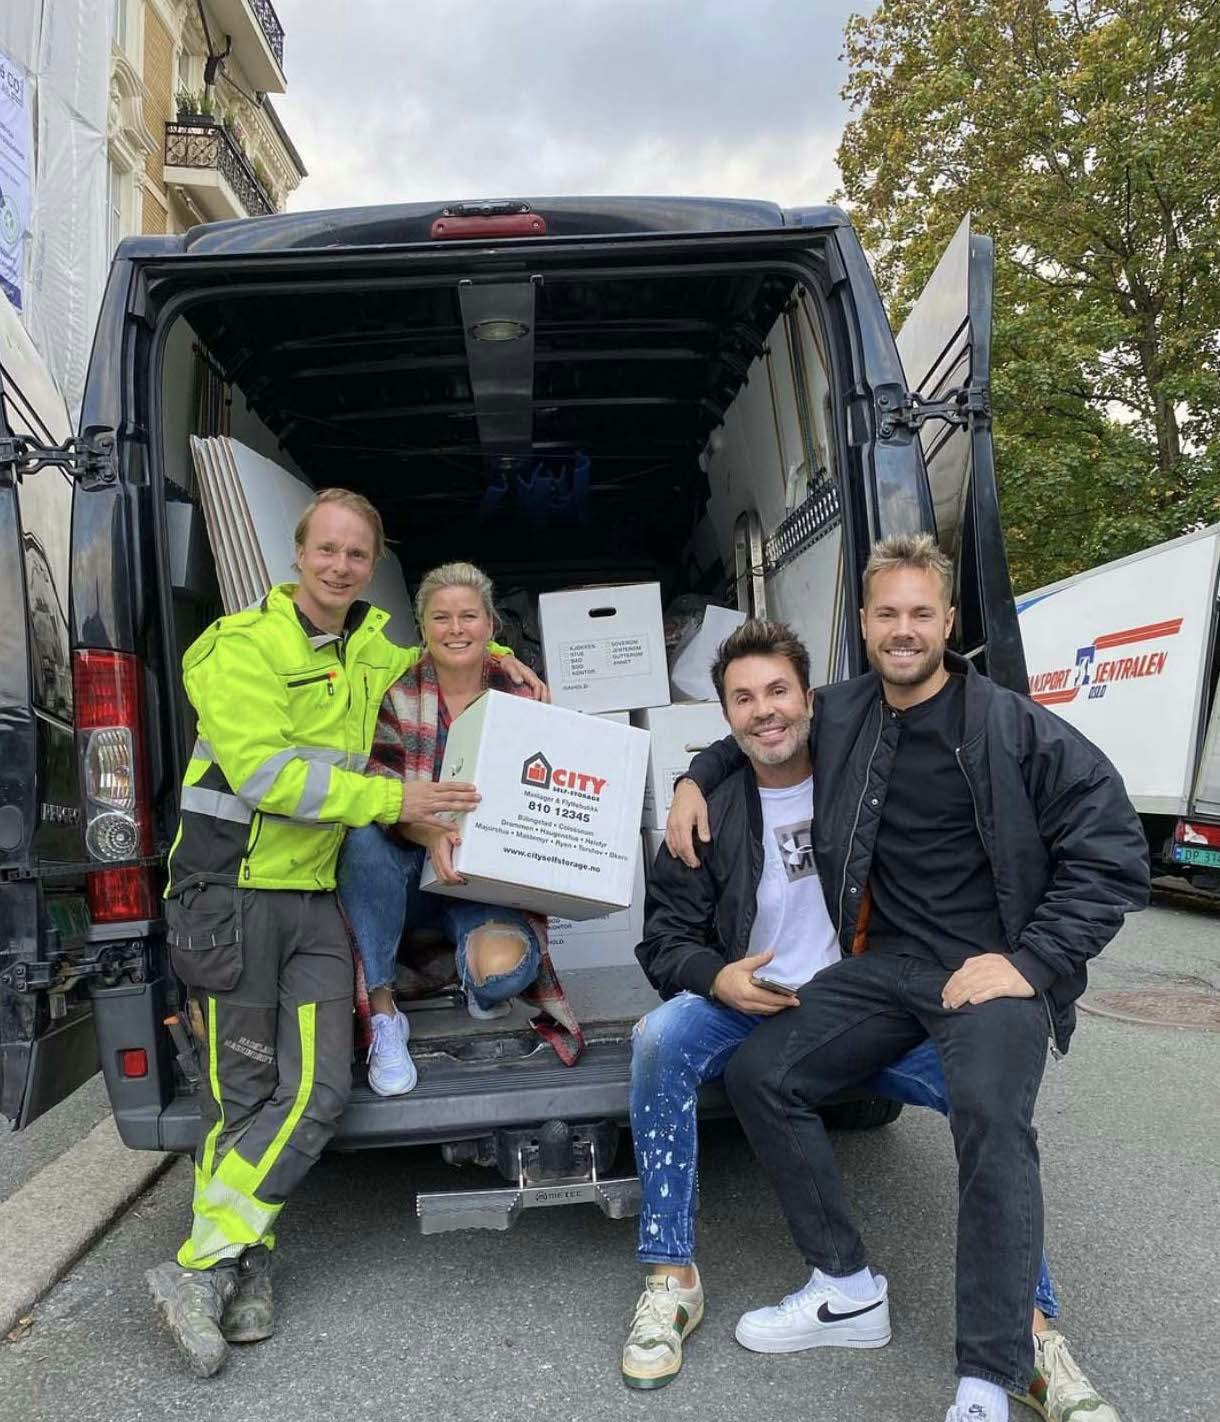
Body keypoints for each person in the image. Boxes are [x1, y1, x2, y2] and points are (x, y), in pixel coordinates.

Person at [665, 535, 1148, 1422]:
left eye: (921, 612)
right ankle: (845, 1288)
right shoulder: (844, 709)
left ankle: (992, 1371)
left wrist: (1030, 963)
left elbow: (1113, 853)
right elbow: (760, 729)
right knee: (761, 1072)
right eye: (887, 612)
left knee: (991, 1119)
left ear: (948, 621)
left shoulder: (1012, 726)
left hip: (989, 974)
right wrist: (694, 778)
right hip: (886, 966)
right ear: (863, 622)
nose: (903, 629)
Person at [146, 490, 544, 1378]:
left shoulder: (369, 646)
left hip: (313, 898)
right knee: (243, 1095)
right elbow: (267, 775)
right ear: (298, 553)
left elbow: (443, 646)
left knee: (321, 1092)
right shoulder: (238, 646)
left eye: (356, 554)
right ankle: (236, 1268)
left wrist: (502, 656)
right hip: (231, 892)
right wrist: (397, 797)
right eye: (326, 549)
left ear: (372, 567)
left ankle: (201, 1263)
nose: (339, 566)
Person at [621, 617, 1060, 1395]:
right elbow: (664, 940)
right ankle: (670, 1279)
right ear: (725, 714)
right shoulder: (707, 809)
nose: (765, 710)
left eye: (779, 691)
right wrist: (716, 977)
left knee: (992, 1106)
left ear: (811, 699)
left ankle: (1032, 1329)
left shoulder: (866, 777)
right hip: (749, 1003)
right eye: (743, 698)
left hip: (873, 1005)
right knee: (658, 1039)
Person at [337, 560, 583, 1097]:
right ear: (422, 627)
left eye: (469, 616)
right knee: (361, 838)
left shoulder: (522, 694)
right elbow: (380, 790)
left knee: (506, 973)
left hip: (482, 880)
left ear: (490, 625)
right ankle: (383, 1013)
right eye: (441, 617)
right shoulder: (398, 693)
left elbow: (545, 797)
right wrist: (429, 833)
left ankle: (473, 978)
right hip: (406, 877)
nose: (455, 629)